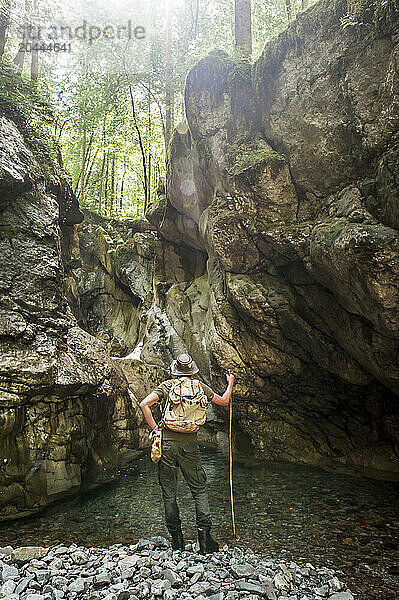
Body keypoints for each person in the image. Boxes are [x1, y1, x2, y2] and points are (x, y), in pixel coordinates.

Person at [139, 353, 235, 554]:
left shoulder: (167, 386)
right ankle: (205, 541)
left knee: (169, 494)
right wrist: (230, 382)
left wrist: (156, 429)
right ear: (192, 370)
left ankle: (177, 542)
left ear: (175, 370)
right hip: (190, 446)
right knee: (199, 490)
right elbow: (225, 401)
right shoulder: (200, 387)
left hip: (166, 445)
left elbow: (144, 404)